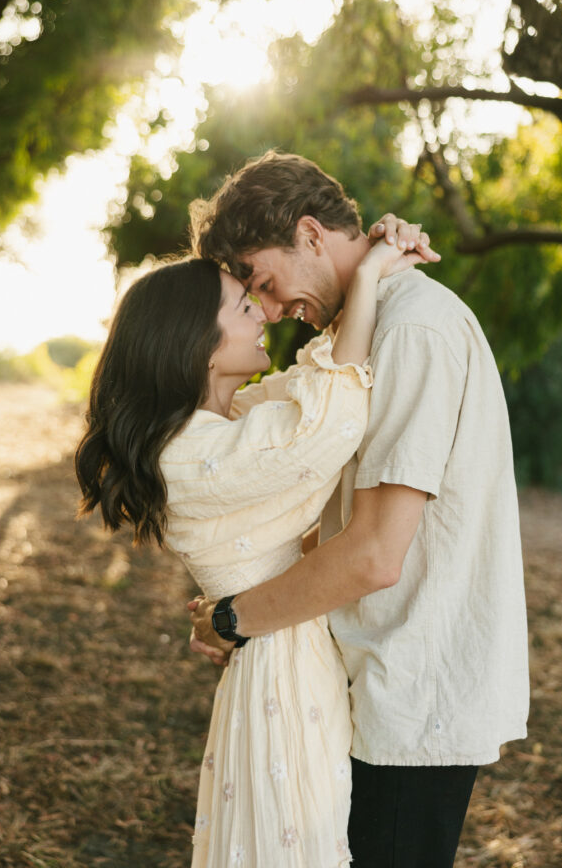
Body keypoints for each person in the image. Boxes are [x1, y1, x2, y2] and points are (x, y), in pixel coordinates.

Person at [188, 150, 530, 868]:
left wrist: (236, 618)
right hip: (375, 680)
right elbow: (335, 515)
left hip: (413, 689)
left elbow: (375, 552)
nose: (273, 312)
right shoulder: (359, 332)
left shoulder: (412, 329)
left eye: (266, 283)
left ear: (310, 235)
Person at [74, 232, 427, 868]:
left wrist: (355, 273)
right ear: (198, 347)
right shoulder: (189, 451)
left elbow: (309, 388)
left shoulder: (227, 422)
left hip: (283, 649)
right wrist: (371, 271)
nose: (264, 312)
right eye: (243, 306)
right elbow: (323, 426)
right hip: (281, 671)